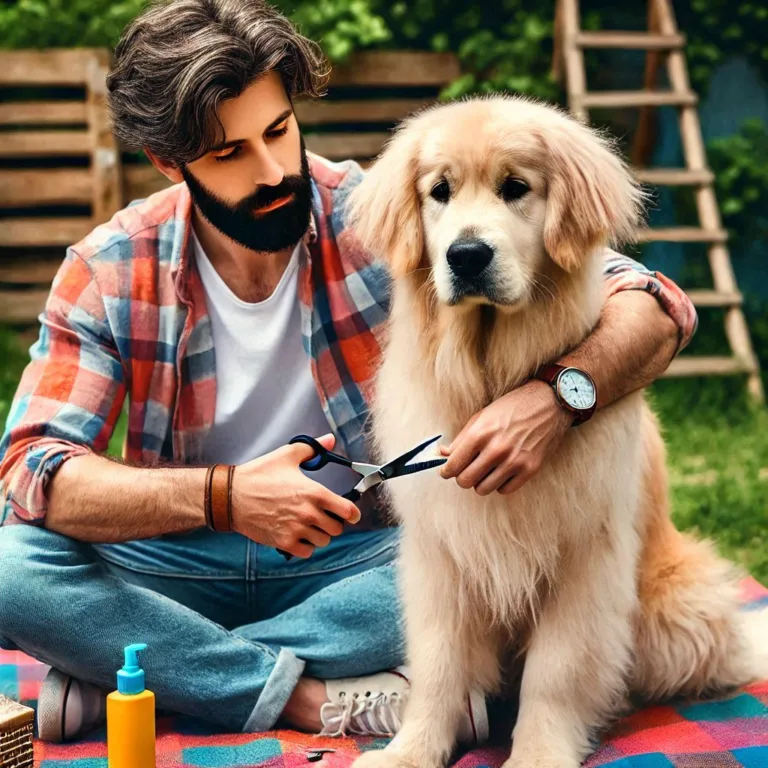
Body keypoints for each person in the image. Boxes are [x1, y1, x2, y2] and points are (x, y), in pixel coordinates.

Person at [0, 0, 697, 746]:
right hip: (184, 551)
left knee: (456, 564)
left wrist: (557, 398)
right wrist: (225, 497)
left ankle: (139, 666)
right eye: (230, 153)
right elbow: (32, 469)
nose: (272, 170)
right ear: (170, 164)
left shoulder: (376, 212)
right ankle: (303, 696)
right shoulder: (109, 270)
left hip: (355, 555)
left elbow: (654, 304)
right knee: (11, 568)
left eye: (278, 131)